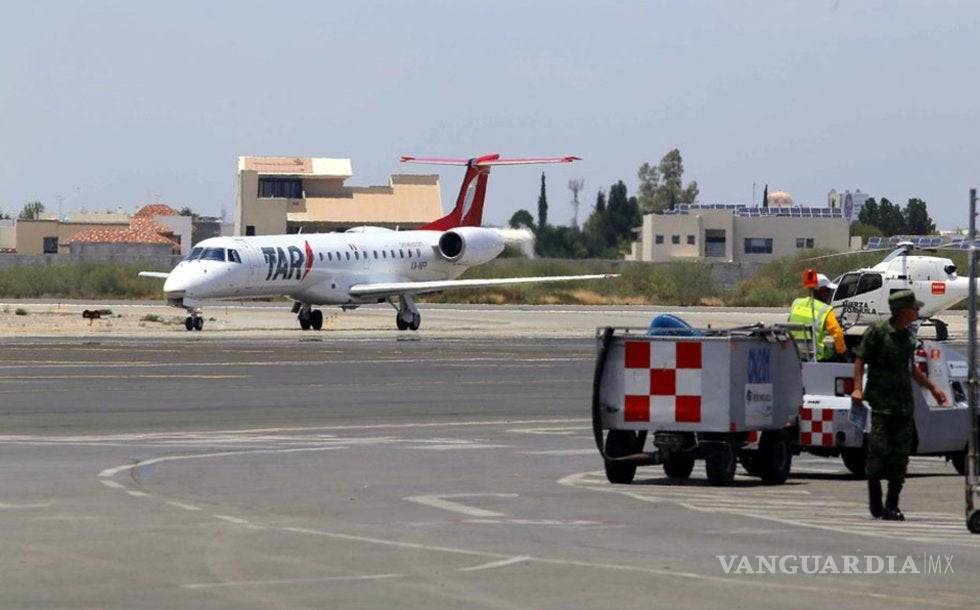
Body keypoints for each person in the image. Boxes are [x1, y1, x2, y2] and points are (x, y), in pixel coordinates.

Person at [851, 289, 947, 521]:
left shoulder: (907, 338)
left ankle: (892, 505)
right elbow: (860, 357)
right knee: (878, 453)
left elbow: (910, 368)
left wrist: (933, 388)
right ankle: (875, 495)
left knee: (900, 458)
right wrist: (857, 387)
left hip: (904, 405)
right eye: (914, 308)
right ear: (903, 311)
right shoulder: (878, 333)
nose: (917, 312)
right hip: (882, 405)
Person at [788, 273, 846, 361]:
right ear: (820, 290)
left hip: (795, 354)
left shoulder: (796, 303)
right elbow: (837, 334)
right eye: (828, 290)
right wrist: (842, 355)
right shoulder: (825, 309)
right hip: (817, 357)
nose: (829, 293)